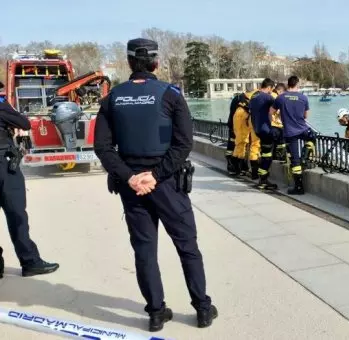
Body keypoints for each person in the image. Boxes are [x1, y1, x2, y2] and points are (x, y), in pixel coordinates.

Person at [93, 38, 217, 332]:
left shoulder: (113, 98)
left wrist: (130, 177)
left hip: (132, 187)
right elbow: (184, 143)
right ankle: (202, 309)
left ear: (129, 63)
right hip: (167, 183)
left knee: (144, 250)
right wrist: (157, 175)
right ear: (156, 63)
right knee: (187, 246)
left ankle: (156, 313)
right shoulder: (170, 94)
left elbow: (103, 146)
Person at [0, 81, 59, 278]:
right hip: (3, 166)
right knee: (16, 214)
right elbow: (24, 123)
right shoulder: (1, 105)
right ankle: (30, 261)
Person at [270, 76, 311, 195]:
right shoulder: (303, 97)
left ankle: (298, 187)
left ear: (288, 85)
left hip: (290, 132)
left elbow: (271, 112)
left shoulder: (281, 97)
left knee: (295, 160)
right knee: (312, 138)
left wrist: (278, 118)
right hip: (303, 129)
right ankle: (306, 153)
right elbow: (306, 116)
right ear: (297, 84)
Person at [248, 78, 277, 190]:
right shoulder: (268, 97)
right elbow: (275, 109)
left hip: (257, 129)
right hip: (266, 129)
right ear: (269, 87)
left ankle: (262, 177)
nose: (271, 91)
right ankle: (263, 180)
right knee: (267, 155)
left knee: (264, 153)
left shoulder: (253, 97)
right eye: (271, 89)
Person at [232, 89, 260, 179]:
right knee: (243, 142)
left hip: (243, 115)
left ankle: (240, 169)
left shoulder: (255, 93)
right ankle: (239, 169)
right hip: (243, 115)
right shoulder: (259, 94)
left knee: (242, 142)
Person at [225, 92, 242, 176]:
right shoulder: (241, 100)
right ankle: (234, 165)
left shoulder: (237, 99)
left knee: (231, 145)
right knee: (235, 145)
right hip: (236, 126)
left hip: (232, 125)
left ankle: (231, 165)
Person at [272, 83, 287, 162]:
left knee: (272, 144)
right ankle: (280, 156)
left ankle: (274, 155)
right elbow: (278, 111)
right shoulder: (277, 97)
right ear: (280, 91)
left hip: (269, 124)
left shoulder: (270, 95)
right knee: (281, 143)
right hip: (276, 124)